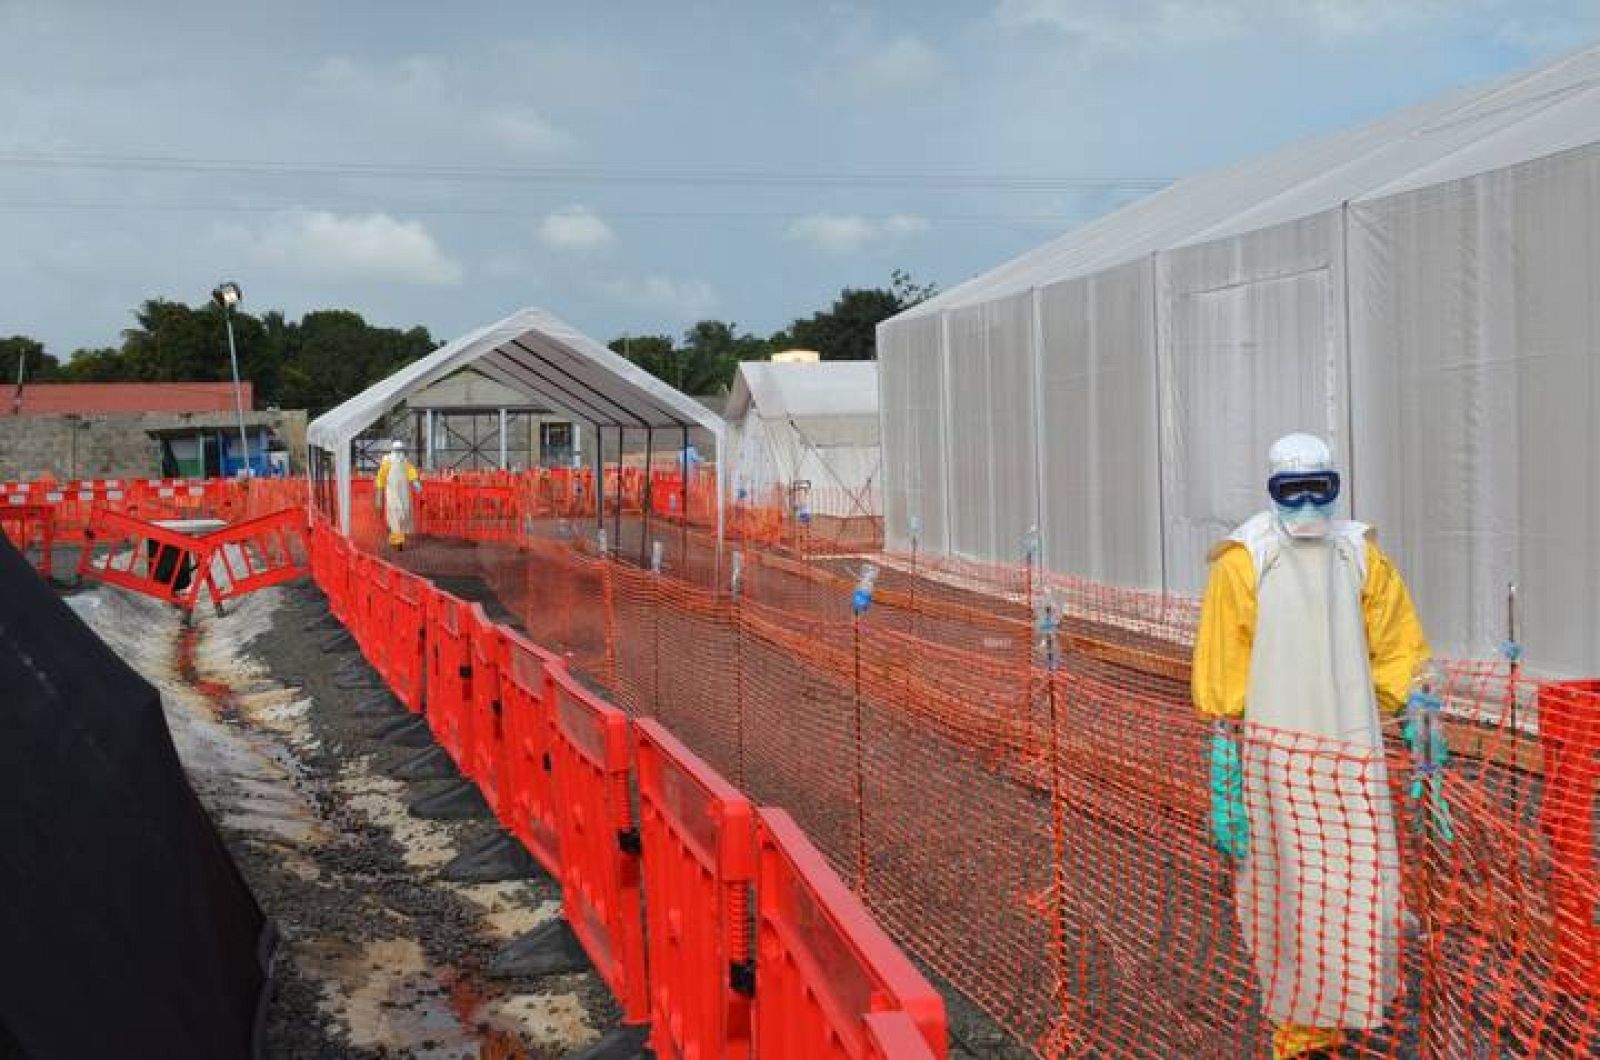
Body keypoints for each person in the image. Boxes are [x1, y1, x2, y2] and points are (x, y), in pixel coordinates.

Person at [1192, 432, 1431, 1059]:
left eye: (1317, 491)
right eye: (1290, 492)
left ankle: (1356, 1007)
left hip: (1354, 758)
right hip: (1277, 763)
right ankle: (1301, 1031)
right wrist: (1224, 767)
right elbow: (1223, 669)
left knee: (1364, 880)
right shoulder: (1244, 560)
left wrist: (1419, 720)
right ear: (1271, 492)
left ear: (1336, 487)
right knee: (1288, 890)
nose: (1305, 506)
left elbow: (1397, 647)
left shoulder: (1359, 554)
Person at [373, 440, 421, 549]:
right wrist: (379, 497)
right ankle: (398, 541)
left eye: (401, 450)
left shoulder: (406, 464)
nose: (400, 453)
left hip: (404, 494)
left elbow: (411, 474)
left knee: (404, 513)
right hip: (392, 494)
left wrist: (416, 483)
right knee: (395, 514)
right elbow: (380, 480)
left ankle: (395, 535)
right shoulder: (386, 464)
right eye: (397, 451)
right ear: (393, 451)